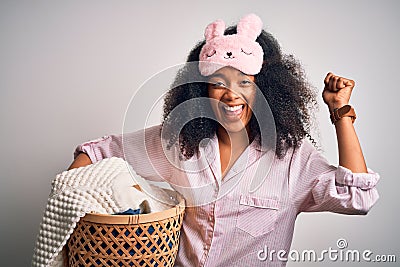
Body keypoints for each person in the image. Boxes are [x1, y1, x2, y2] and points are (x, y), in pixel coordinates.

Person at [68, 14, 379, 266]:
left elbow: (358, 198)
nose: (231, 94)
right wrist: (73, 199)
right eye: (218, 83)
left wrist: (341, 112)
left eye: (245, 81)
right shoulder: (181, 144)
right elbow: (98, 152)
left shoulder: (292, 158)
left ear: (267, 89)